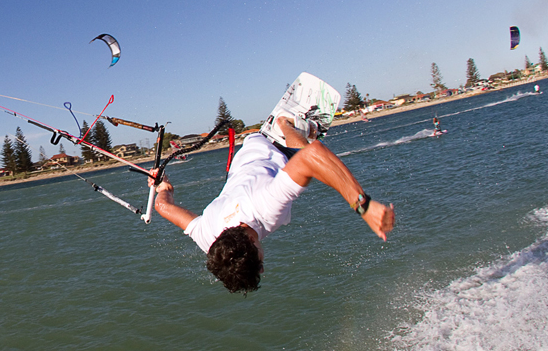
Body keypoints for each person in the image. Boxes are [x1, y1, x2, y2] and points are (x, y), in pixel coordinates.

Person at [150, 116, 395, 293]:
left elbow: (311, 156)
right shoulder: (210, 240)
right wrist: (163, 187)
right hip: (246, 154)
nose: (263, 269)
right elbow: (164, 207)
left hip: (272, 147)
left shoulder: (266, 208)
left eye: (259, 265)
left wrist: (363, 206)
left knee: (304, 156)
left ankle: (286, 125)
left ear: (252, 243)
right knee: (303, 171)